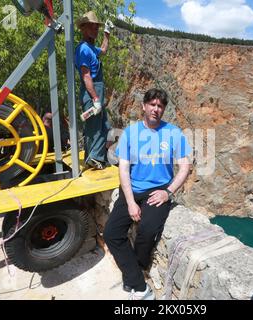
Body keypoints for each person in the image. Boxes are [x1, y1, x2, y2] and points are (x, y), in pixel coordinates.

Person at [103, 88, 192, 300]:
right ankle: (140, 286)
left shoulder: (173, 133)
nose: (156, 109)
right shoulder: (130, 133)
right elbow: (123, 169)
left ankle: (134, 277)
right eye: (152, 104)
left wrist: (168, 192)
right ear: (144, 106)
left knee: (147, 229)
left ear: (164, 110)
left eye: (160, 106)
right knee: (111, 234)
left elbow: (185, 166)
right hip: (132, 189)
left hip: (158, 190)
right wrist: (131, 202)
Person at [74, 11, 114, 170]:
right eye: (92, 27)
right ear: (83, 28)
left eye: (97, 27)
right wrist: (96, 99)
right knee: (94, 128)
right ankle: (94, 159)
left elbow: (103, 51)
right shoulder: (83, 49)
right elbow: (86, 76)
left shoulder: (91, 47)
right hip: (91, 91)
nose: (95, 30)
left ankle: (95, 157)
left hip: (96, 90)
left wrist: (107, 34)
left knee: (105, 127)